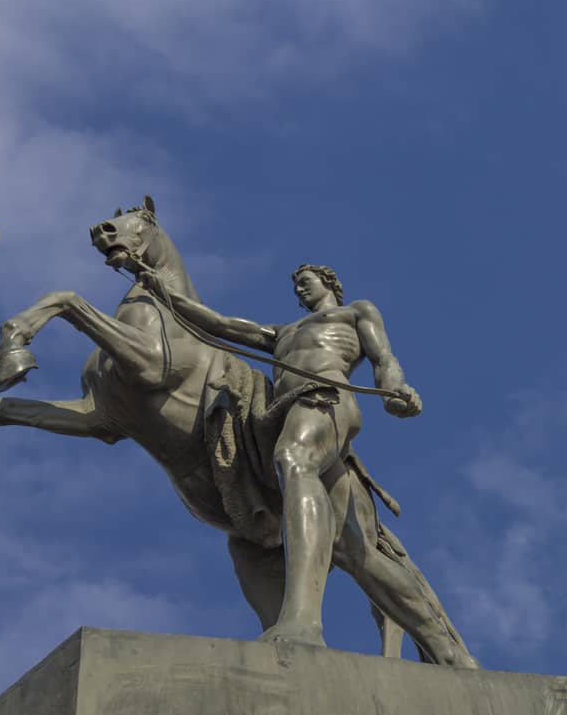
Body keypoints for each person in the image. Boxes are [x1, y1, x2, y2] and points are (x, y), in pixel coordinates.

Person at [141, 263, 421, 646]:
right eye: (296, 288)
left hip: (327, 397)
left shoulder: (355, 312)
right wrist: (164, 292)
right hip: (289, 410)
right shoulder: (281, 333)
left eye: (305, 283)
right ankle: (446, 648)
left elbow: (384, 358)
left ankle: (304, 619)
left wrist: (395, 389)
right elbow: (220, 325)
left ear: (328, 282)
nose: (300, 292)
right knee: (360, 553)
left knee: (293, 460)